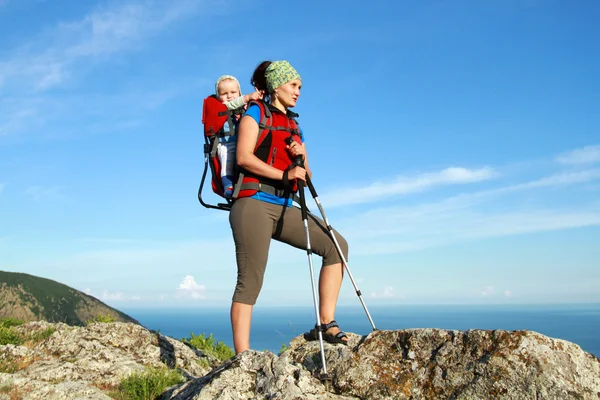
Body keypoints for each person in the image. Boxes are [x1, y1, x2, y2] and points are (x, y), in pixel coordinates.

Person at [228, 60, 350, 354]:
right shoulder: (254, 114)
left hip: (283, 205)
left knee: (337, 246)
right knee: (250, 280)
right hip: (252, 204)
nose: (298, 92)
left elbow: (306, 177)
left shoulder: (295, 125)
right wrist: (285, 175)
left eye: (300, 87)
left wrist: (301, 156)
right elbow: (243, 158)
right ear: (275, 86)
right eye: (293, 85)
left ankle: (326, 323)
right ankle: (242, 356)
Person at [214, 75, 262, 197]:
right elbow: (232, 104)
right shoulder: (222, 106)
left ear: (239, 92)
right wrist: (247, 97)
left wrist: (257, 99)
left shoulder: (244, 106)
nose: (229, 96)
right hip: (226, 144)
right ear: (218, 96)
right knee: (227, 165)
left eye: (233, 92)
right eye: (224, 93)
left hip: (242, 141)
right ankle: (228, 186)